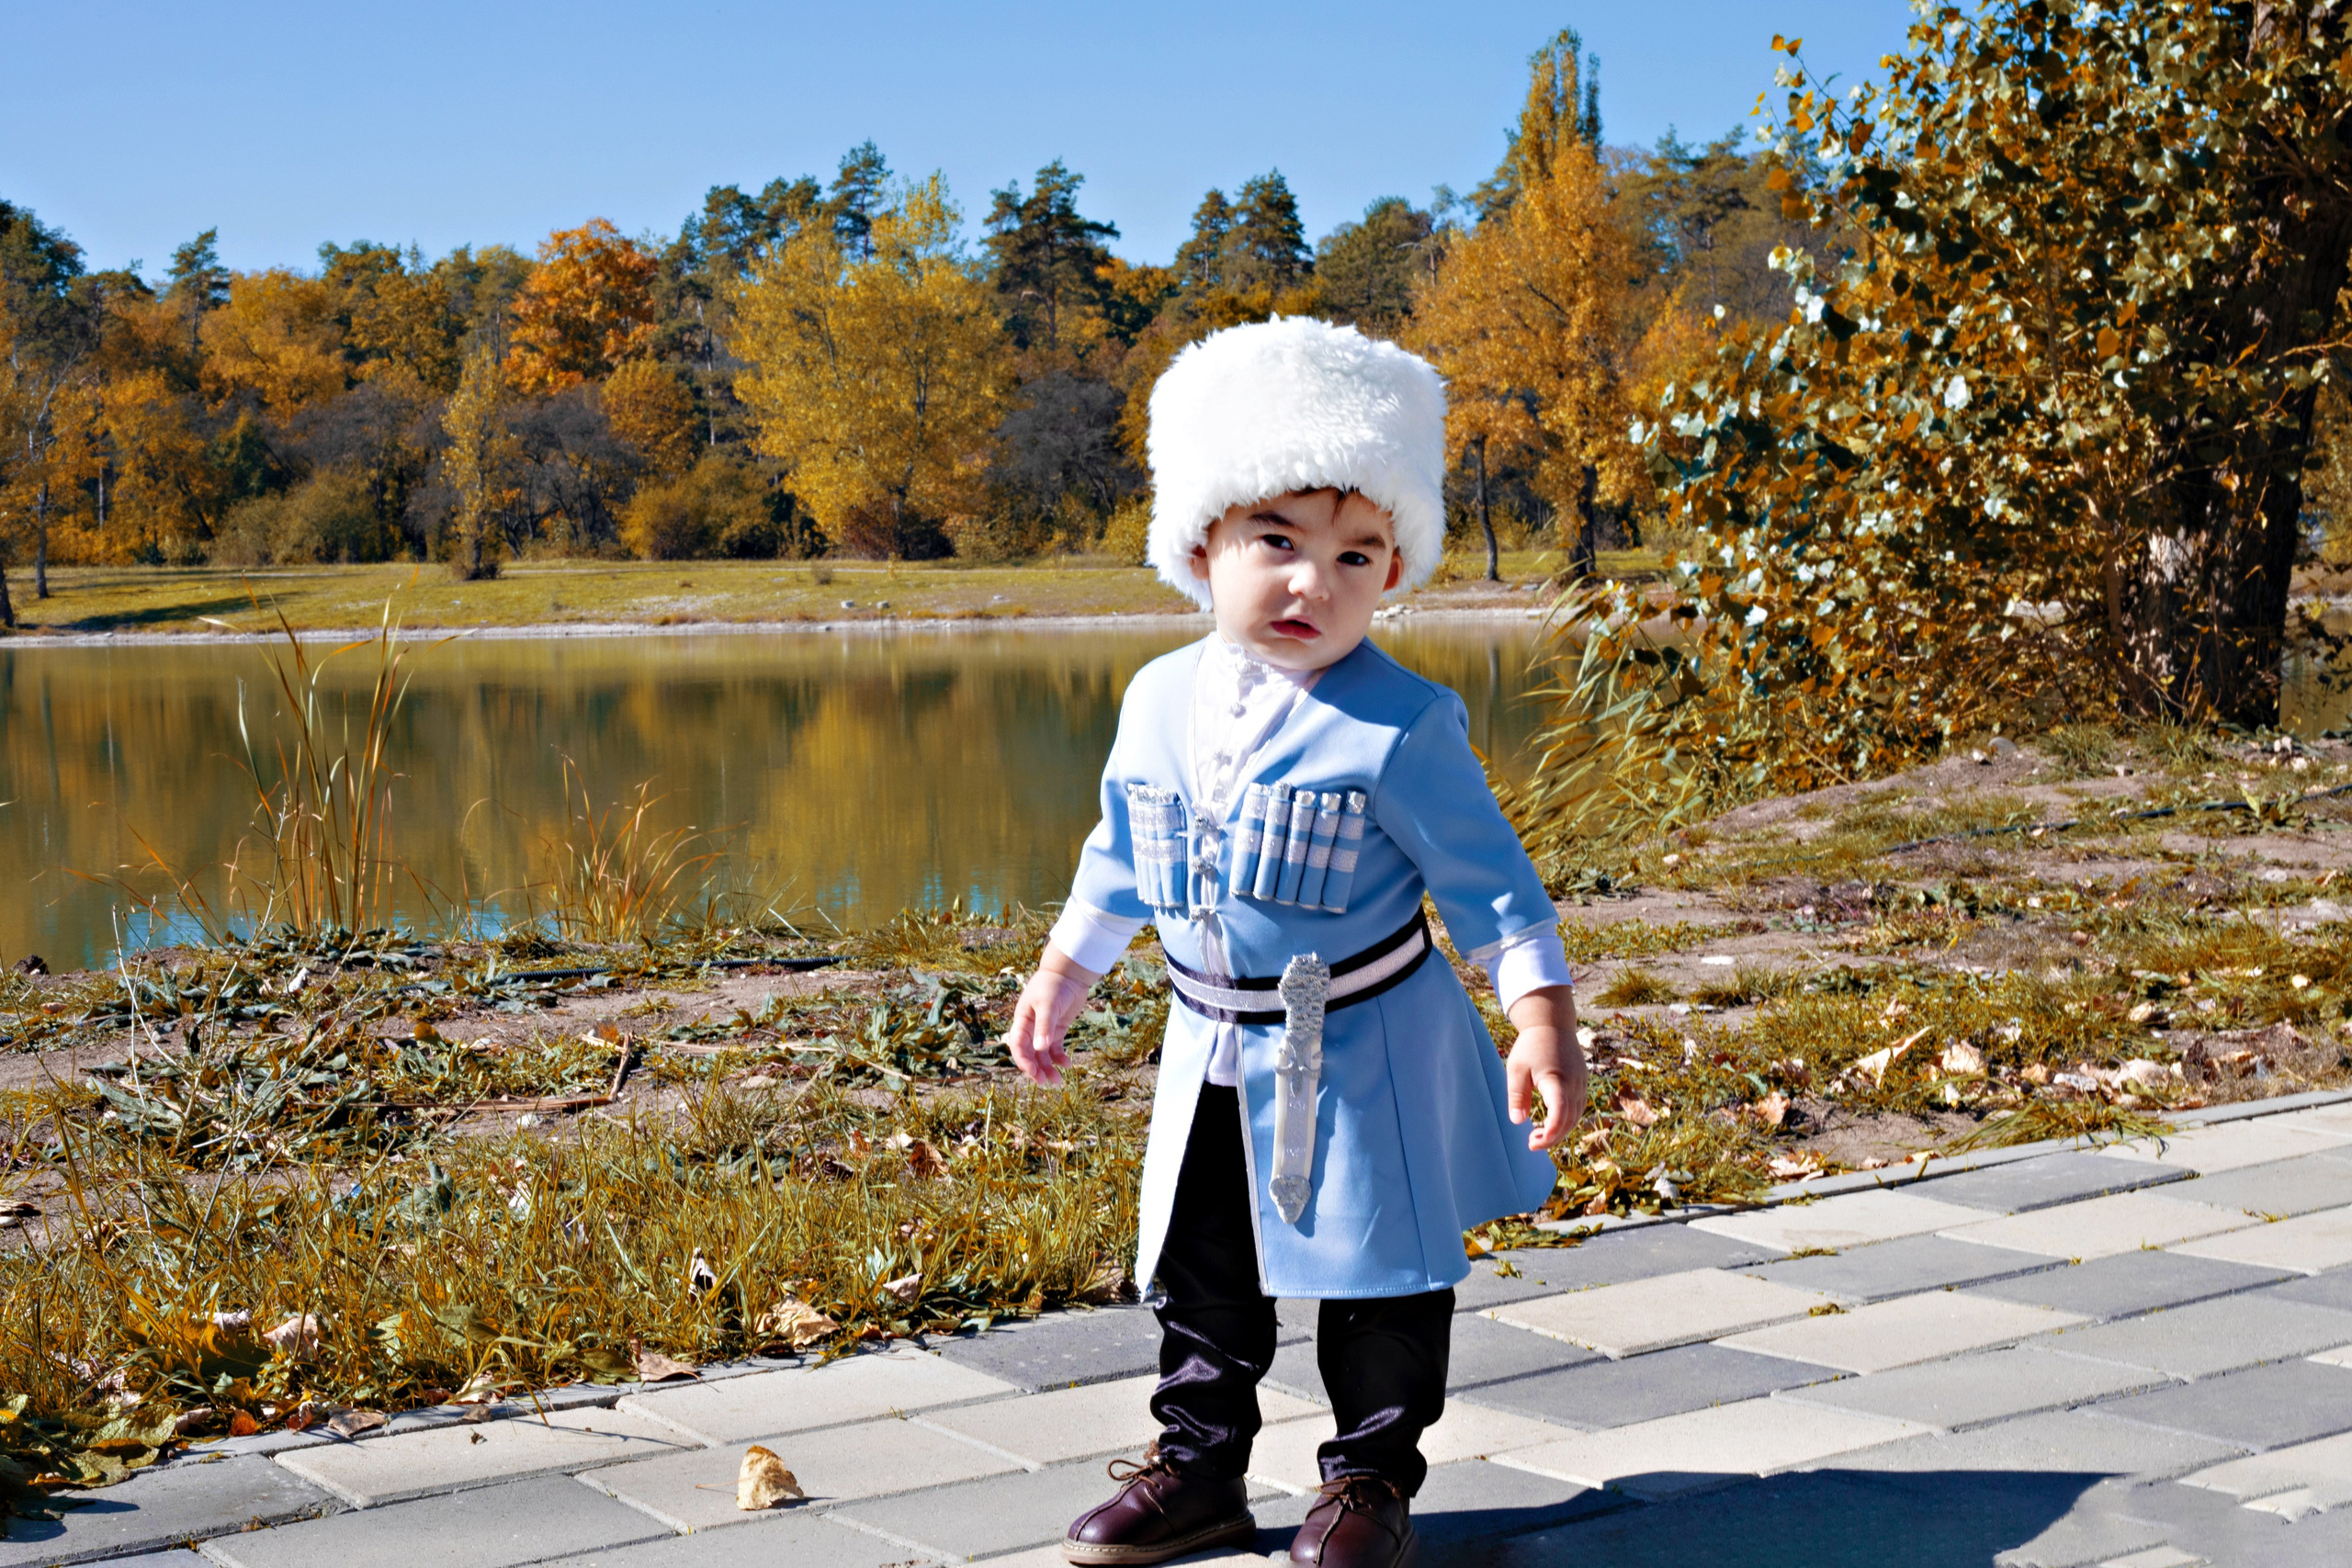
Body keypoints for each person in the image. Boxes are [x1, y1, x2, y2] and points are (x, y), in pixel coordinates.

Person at [1005, 317, 1586, 1568]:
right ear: (1200, 547)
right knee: (1201, 1263)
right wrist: (1064, 969)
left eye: (1354, 555)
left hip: (1367, 1045)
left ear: (1392, 570)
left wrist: (1541, 1021)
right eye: (1277, 542)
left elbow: (1490, 887)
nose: (1313, 584)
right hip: (1209, 1039)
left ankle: (1369, 1479)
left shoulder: (1401, 723)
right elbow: (1124, 847)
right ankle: (1198, 1469)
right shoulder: (1155, 698)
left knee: (1383, 1270)